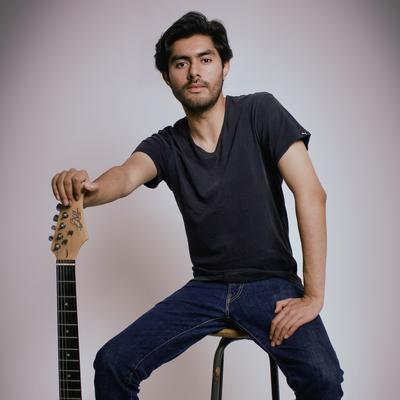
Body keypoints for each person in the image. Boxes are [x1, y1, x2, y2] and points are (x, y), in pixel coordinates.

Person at [51, 11, 344, 400]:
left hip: (271, 284)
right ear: (167, 76)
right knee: (113, 363)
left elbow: (311, 193)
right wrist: (85, 190)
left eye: (205, 59)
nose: (194, 72)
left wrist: (313, 296)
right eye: (181, 63)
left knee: (324, 379)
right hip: (206, 289)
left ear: (225, 65)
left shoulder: (261, 112)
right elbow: (124, 176)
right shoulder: (167, 144)